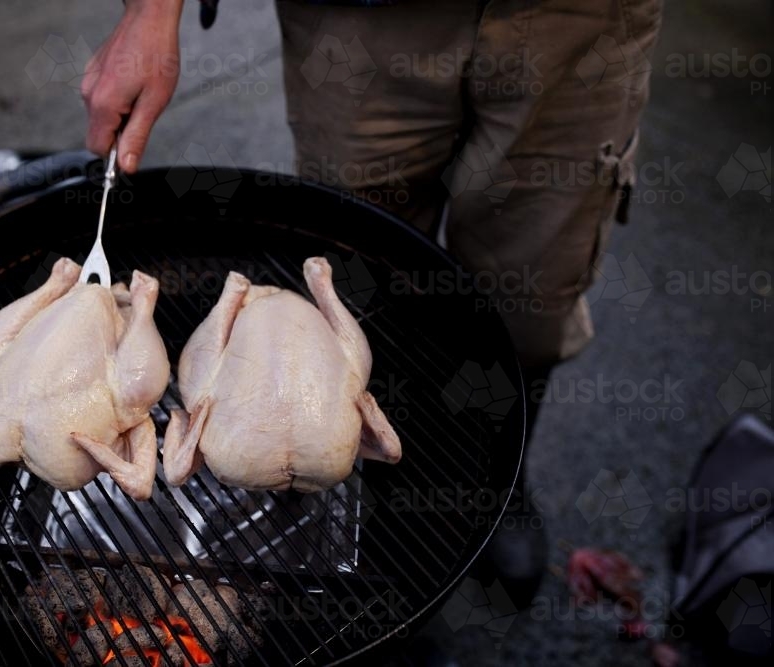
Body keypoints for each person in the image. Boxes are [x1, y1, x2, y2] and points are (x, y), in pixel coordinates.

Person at [81, 0, 663, 605]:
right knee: (361, 261)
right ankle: (364, 476)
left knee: (531, 294)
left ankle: (499, 484)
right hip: (359, 20)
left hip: (578, 19)